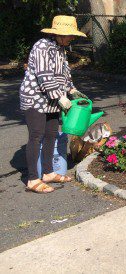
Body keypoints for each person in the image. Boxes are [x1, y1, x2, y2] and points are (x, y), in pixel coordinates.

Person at [20, 15, 87, 193]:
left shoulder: (60, 49)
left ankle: (48, 172)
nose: (72, 38)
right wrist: (60, 97)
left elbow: (64, 74)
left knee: (51, 134)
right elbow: (44, 75)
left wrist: (71, 90)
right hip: (35, 97)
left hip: (51, 99)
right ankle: (33, 179)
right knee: (36, 135)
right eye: (69, 35)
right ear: (59, 34)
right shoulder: (42, 46)